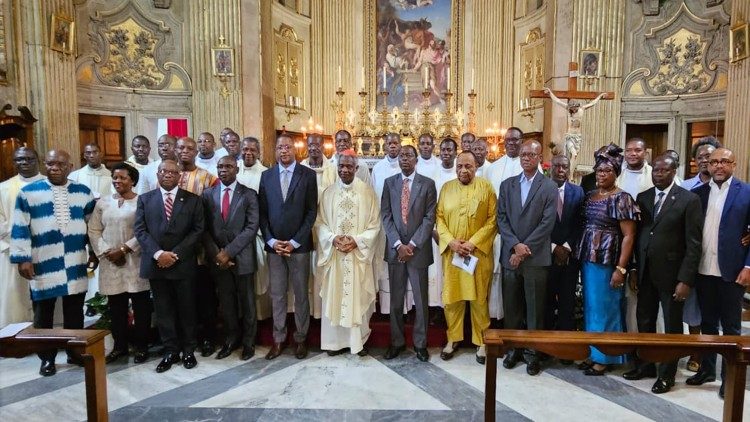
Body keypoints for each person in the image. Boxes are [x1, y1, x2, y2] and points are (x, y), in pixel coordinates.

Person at [10, 149, 96, 376]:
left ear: (69, 166)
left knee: (74, 312)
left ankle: (75, 352)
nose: (54, 168)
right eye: (50, 164)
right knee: (43, 315)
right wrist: (23, 258)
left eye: (60, 164)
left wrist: (94, 253)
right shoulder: (28, 193)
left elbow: (92, 228)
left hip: (75, 260)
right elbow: (19, 227)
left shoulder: (83, 192)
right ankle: (46, 358)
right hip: (42, 261)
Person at [623, 154, 703, 394]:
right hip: (646, 272)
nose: (658, 174)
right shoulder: (644, 197)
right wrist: (635, 268)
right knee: (644, 320)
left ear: (673, 171)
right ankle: (646, 365)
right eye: (656, 170)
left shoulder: (689, 200)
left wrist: (685, 280)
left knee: (671, 326)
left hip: (672, 276)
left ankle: (667, 374)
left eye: (664, 171)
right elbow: (638, 237)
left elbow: (694, 243)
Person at [687, 147, 750, 400]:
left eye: (724, 161)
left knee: (732, 328)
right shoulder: (697, 194)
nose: (718, 166)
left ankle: (730, 378)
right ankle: (707, 370)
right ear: (707, 165)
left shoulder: (746, 192)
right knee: (708, 324)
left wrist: (748, 266)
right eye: (714, 162)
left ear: (733, 164)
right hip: (703, 269)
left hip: (732, 271)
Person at [575, 143, 639, 375]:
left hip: (608, 261)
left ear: (616, 173)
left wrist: (621, 269)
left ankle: (606, 356)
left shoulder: (622, 198)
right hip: (588, 259)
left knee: (607, 308)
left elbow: (629, 236)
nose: (602, 175)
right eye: (599, 171)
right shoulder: (591, 196)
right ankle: (593, 352)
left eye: (607, 171)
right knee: (591, 307)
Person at [134, 159, 204, 373]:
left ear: (179, 176)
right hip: (157, 264)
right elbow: (140, 230)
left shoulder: (192, 200)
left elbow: (198, 230)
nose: (168, 174)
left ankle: (189, 349)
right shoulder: (145, 199)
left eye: (173, 172)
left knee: (187, 308)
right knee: (163, 310)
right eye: (163, 171)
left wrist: (175, 254)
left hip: (182, 263)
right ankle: (170, 351)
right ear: (157, 173)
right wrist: (158, 254)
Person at [497, 140, 558, 376]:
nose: (526, 158)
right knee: (512, 307)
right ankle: (513, 350)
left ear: (539, 156)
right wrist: (514, 246)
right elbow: (501, 218)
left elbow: (547, 223)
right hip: (511, 256)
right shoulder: (507, 185)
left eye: (531, 154)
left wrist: (523, 249)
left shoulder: (549, 187)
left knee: (535, 310)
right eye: (523, 154)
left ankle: (533, 353)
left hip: (535, 259)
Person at [259, 134, 318, 360]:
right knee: (278, 294)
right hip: (275, 246)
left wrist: (294, 242)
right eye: (279, 147)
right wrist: (272, 241)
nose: (284, 151)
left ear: (295, 150)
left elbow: (311, 211)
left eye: (287, 147)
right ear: (275, 151)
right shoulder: (267, 176)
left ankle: (301, 338)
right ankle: (279, 339)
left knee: (301, 294)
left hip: (299, 246)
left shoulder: (308, 175)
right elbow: (262, 212)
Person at [317, 151, 381, 356]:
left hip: (356, 256)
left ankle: (357, 342)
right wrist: (332, 239)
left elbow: (375, 225)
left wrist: (357, 241)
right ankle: (334, 343)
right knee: (335, 295)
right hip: (335, 255)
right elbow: (320, 223)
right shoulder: (328, 193)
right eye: (341, 166)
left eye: (348, 167)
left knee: (357, 296)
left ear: (356, 168)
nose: (344, 170)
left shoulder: (367, 193)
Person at [88, 162, 151, 365]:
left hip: (135, 260)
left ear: (132, 180)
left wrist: (125, 249)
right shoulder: (103, 203)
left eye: (123, 178)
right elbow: (94, 230)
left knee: (141, 308)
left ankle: (142, 346)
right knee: (117, 309)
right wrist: (108, 251)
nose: (118, 181)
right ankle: (120, 347)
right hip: (111, 263)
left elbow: (146, 231)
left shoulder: (142, 202)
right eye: (115, 178)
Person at [437, 151, 497, 365]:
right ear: (455, 168)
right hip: (453, 254)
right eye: (460, 166)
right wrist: (452, 242)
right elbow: (439, 219)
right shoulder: (446, 189)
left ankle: (482, 341)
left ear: (476, 167)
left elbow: (493, 220)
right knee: (452, 299)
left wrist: (472, 243)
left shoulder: (486, 188)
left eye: (468, 166)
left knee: (479, 298)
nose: (464, 170)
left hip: (477, 254)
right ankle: (453, 339)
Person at [381, 145, 437, 362]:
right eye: (402, 156)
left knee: (421, 300)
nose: (405, 159)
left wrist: (412, 244)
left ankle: (420, 344)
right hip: (396, 251)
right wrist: (398, 244)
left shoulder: (428, 184)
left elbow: (429, 218)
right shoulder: (389, 183)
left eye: (408, 156)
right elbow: (386, 215)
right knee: (396, 299)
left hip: (418, 251)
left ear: (416, 160)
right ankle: (396, 342)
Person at [202, 156, 260, 361]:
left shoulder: (249, 194)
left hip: (242, 257)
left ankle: (248, 342)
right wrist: (218, 253)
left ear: (237, 169)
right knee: (226, 302)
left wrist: (229, 252)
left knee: (247, 302)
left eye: (228, 166)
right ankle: (231, 339)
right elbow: (204, 228)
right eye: (220, 167)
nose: (223, 170)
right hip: (218, 258)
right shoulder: (207, 195)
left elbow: (252, 227)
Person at [680, 135, 722, 372]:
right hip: (691, 256)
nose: (706, 160)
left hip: (718, 258)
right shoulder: (685, 188)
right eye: (701, 157)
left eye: (710, 156)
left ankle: (712, 357)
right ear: (695, 161)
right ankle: (696, 352)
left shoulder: (730, 188)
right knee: (692, 308)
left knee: (712, 310)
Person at [175, 136, 219, 357]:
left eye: (189, 148)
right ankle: (182, 341)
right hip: (173, 252)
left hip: (201, 250)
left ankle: (207, 338)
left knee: (204, 298)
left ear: (196, 152)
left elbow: (214, 215)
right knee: (180, 300)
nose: (185, 151)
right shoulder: (167, 176)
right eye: (181, 147)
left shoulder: (208, 178)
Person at [0, 147, 45, 327]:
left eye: (29, 159)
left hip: (45, 248)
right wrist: (17, 232)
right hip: (12, 248)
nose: (24, 163)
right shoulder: (4, 188)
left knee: (46, 297)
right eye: (19, 159)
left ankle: (49, 337)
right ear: (13, 162)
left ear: (37, 160)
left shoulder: (49, 184)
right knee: (15, 295)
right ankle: (16, 338)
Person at [484, 127, 524, 320]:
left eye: (515, 140)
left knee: (513, 282)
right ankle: (494, 318)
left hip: (519, 236)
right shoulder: (493, 167)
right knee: (495, 276)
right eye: (508, 140)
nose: (511, 143)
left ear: (521, 141)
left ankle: (512, 321)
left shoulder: (531, 167)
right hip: (496, 232)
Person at [544, 155, 584, 340]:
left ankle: (565, 346)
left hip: (570, 256)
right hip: (546, 255)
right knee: (547, 303)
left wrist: (566, 247)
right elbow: (538, 223)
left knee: (567, 303)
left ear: (569, 169)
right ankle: (545, 347)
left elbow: (581, 223)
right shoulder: (541, 190)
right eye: (557, 166)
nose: (561, 170)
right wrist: (554, 247)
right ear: (551, 168)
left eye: (564, 167)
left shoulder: (578, 192)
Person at [616, 137, 653, 334]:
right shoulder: (617, 175)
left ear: (645, 152)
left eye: (637, 150)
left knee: (643, 296)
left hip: (645, 240)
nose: (632, 154)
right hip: (619, 241)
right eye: (628, 150)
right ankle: (625, 340)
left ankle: (644, 342)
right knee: (623, 296)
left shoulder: (655, 174)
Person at [370, 133, 409, 314]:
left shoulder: (406, 167)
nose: (393, 146)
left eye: (396, 143)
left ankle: (405, 308)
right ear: (384, 146)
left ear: (401, 145)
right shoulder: (377, 168)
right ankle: (387, 308)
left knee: (405, 264)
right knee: (386, 266)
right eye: (389, 143)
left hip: (405, 225)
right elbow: (373, 197)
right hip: (385, 226)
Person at [236, 136, 272, 320]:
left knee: (261, 276)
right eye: (245, 149)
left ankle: (262, 315)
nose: (248, 153)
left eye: (252, 150)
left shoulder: (265, 174)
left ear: (259, 152)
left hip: (258, 233)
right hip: (236, 235)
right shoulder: (234, 171)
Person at [300, 133, 332, 319]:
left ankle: (321, 312)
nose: (314, 148)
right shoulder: (300, 168)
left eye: (317, 145)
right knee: (304, 272)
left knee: (321, 270)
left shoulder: (333, 169)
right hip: (304, 226)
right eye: (310, 145)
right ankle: (306, 312)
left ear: (323, 146)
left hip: (326, 227)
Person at [427, 138, 458, 310]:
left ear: (455, 151)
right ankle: (437, 306)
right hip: (436, 232)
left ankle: (452, 306)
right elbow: (428, 204)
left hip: (455, 232)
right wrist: (433, 230)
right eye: (443, 150)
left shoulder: (459, 172)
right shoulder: (433, 172)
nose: (446, 153)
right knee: (436, 271)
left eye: (449, 150)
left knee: (452, 270)